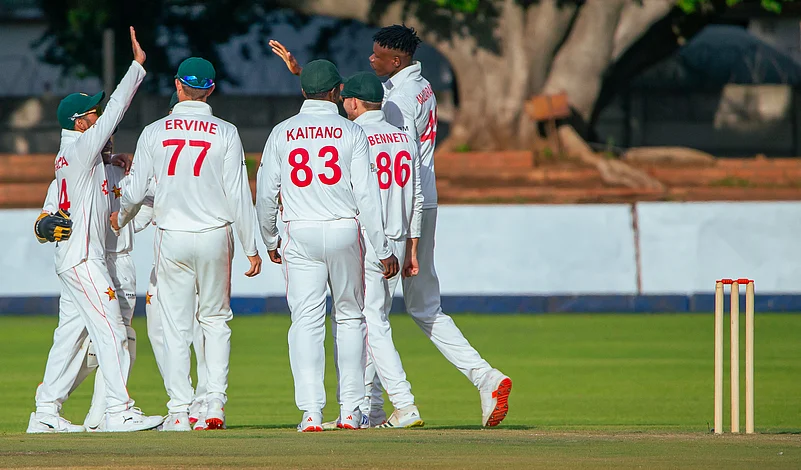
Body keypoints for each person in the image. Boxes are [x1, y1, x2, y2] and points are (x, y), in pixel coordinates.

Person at [270, 25, 512, 427]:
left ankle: (395, 404)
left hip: (385, 216)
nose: (371, 58)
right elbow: (364, 101)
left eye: (378, 55)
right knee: (422, 308)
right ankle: (481, 377)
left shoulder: (394, 103)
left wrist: (314, 88)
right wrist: (308, 78)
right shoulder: (423, 87)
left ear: (396, 61)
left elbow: (365, 130)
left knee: (370, 318)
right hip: (417, 207)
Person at [112, 57, 262, 431]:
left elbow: (133, 190)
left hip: (172, 236)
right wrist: (251, 246)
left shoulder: (154, 131)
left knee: (177, 326)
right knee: (215, 321)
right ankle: (214, 405)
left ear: (178, 86)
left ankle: (179, 410)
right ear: (211, 89)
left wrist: (121, 217)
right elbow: (238, 194)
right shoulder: (225, 131)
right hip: (215, 235)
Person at [27, 26, 164, 433]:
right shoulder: (80, 149)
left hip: (77, 260)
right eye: (93, 113)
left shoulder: (77, 161)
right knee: (112, 332)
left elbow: (56, 214)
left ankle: (46, 413)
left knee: (70, 339)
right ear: (80, 122)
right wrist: (136, 68)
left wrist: (122, 165)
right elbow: (118, 109)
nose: (100, 116)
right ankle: (117, 411)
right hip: (84, 261)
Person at [256, 60, 399, 432]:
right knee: (350, 317)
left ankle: (311, 413)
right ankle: (351, 410)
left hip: (299, 230)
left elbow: (267, 193)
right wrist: (383, 248)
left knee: (305, 321)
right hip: (343, 230)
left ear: (303, 91)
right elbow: (367, 197)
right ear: (336, 92)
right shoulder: (350, 133)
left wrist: (269, 237)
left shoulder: (282, 131)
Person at [326, 72, 424, 429]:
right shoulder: (403, 138)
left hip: (368, 240)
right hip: (398, 240)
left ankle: (405, 402)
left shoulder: (353, 135)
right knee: (373, 321)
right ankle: (371, 409)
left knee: (370, 323)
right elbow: (416, 196)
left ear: (352, 102)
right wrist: (412, 247)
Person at [34, 142, 152, 432]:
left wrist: (125, 218)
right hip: (88, 261)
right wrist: (43, 226)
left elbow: (149, 205)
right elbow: (47, 215)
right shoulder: (70, 172)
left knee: (111, 337)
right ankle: (107, 412)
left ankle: (75, 412)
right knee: (96, 336)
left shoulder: (122, 170)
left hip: (119, 259)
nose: (108, 140)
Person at [140, 92, 210, 430]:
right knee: (202, 328)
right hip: (208, 247)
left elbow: (139, 210)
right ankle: (205, 404)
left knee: (175, 331)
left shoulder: (159, 140)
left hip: (174, 250)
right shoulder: (215, 137)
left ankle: (186, 408)